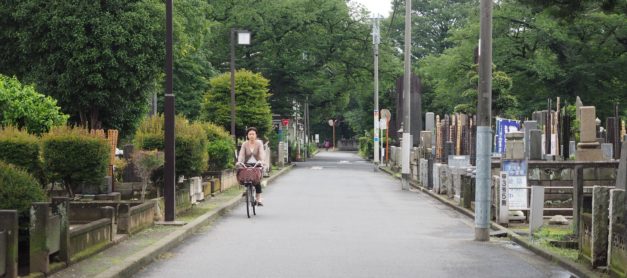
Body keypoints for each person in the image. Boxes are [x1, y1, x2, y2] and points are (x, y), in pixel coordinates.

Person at [237, 127, 266, 206]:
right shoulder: (244, 144)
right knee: (243, 176)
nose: (252, 136)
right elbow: (241, 154)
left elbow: (262, 153)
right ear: (247, 135)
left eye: (253, 134)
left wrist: (262, 161)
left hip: (257, 163)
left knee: (257, 180)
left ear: (256, 135)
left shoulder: (259, 143)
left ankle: (258, 199)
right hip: (247, 163)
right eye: (250, 134)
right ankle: (246, 190)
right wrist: (239, 161)